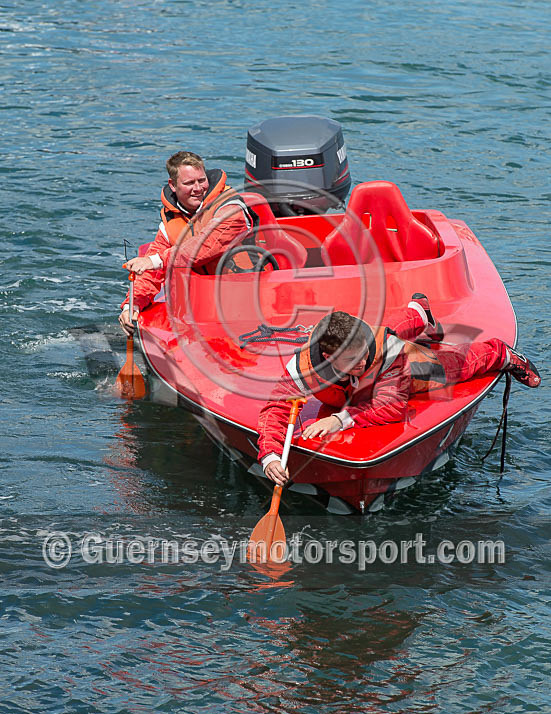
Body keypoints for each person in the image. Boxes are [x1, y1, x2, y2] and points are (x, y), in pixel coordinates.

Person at [257, 299, 541, 486]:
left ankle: (500, 353)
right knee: (388, 333)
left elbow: (392, 407)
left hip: (390, 371)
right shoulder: (304, 367)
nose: (362, 362)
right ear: (329, 356)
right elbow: (275, 409)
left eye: (364, 356)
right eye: (353, 361)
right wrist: (269, 456)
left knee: (446, 368)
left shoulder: (383, 353)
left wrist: (338, 420)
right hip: (343, 386)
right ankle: (418, 311)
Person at [119, 151, 252, 335]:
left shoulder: (230, 208)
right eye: (189, 183)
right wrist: (131, 306)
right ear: (173, 185)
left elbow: (206, 245)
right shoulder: (170, 220)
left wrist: (155, 260)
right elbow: (151, 271)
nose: (198, 188)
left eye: (201, 180)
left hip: (248, 300)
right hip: (201, 305)